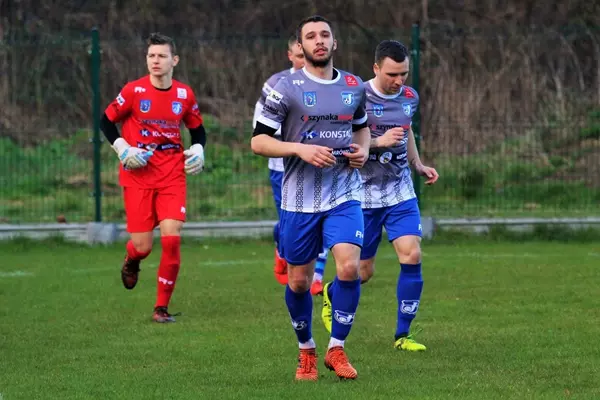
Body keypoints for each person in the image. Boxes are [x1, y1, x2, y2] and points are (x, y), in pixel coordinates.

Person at [251, 15, 370, 381]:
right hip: (298, 199)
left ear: (335, 43)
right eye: (311, 36)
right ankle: (307, 351)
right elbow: (259, 141)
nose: (319, 40)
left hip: (344, 192)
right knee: (299, 282)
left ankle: (337, 348)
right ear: (300, 47)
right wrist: (299, 149)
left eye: (325, 35)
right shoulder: (283, 87)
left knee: (349, 268)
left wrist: (363, 150)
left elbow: (362, 128)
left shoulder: (353, 85)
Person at [321, 40, 439, 351]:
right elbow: (341, 139)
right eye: (392, 74)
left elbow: (406, 130)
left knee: (412, 255)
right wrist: (378, 142)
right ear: (375, 68)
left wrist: (417, 164)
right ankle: (331, 293)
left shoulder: (410, 97)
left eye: (404, 74)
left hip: (400, 191)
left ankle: (403, 335)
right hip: (361, 193)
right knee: (363, 272)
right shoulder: (354, 96)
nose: (399, 81)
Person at [100, 33, 207, 323]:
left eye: (161, 56)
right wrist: (122, 148)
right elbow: (106, 121)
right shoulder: (134, 91)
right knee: (143, 246)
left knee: (172, 239)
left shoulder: (184, 94)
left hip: (172, 174)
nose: (155, 61)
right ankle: (132, 258)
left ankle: (161, 308)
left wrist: (199, 149)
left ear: (175, 60)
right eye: (151, 56)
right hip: (138, 176)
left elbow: (197, 129)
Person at [252, 35, 329, 295]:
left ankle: (317, 276)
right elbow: (259, 131)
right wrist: (300, 143)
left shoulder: (331, 83)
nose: (304, 61)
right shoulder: (276, 85)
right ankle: (280, 245)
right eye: (298, 57)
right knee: (288, 225)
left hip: (322, 167)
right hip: (283, 169)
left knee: (323, 221)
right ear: (290, 56)